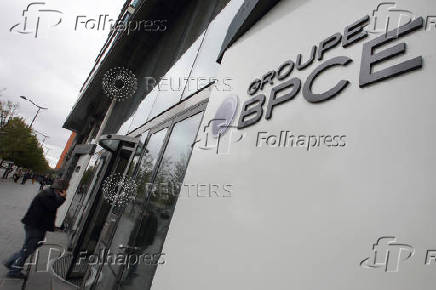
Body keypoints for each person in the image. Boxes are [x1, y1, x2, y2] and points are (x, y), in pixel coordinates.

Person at [3, 179, 68, 279]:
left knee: (30, 246)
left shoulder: (49, 193)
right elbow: (52, 206)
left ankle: (11, 262)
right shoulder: (46, 195)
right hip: (35, 226)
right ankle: (14, 270)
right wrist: (63, 198)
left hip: (37, 225)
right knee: (28, 248)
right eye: (64, 189)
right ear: (60, 189)